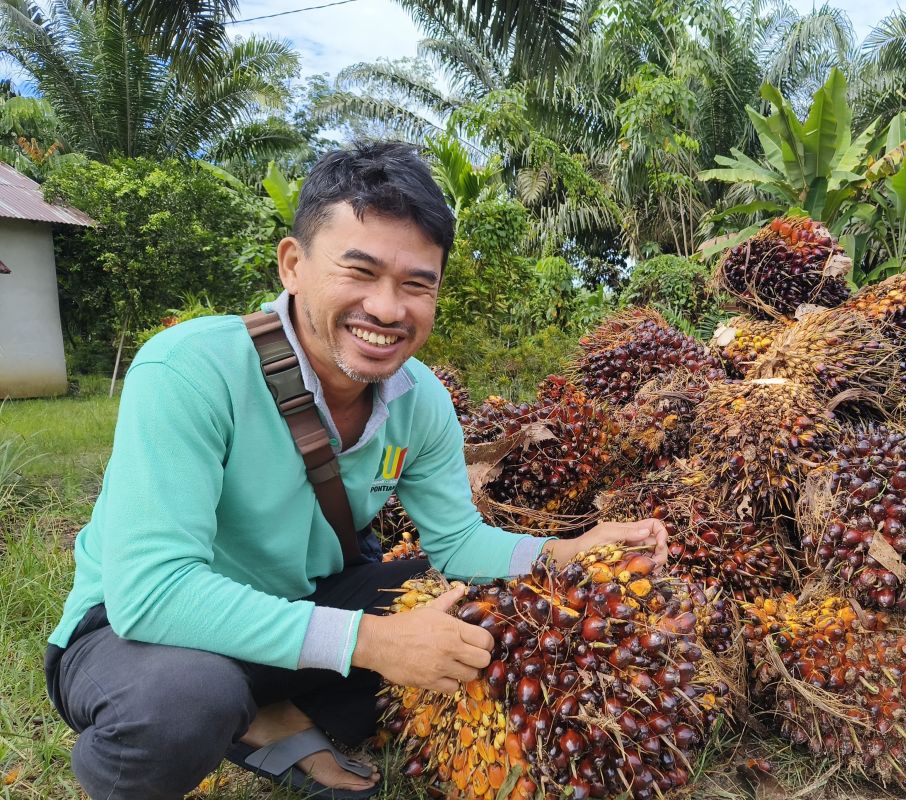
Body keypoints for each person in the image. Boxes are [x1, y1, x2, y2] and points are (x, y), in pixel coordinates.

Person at [44, 142, 667, 800]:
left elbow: (457, 545)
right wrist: (370, 641)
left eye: (416, 284)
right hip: (137, 632)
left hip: (296, 608)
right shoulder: (191, 370)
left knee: (488, 607)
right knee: (183, 704)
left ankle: (265, 712)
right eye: (360, 272)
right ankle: (190, 731)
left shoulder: (420, 401)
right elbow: (156, 594)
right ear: (293, 264)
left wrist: (567, 549)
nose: (388, 309)